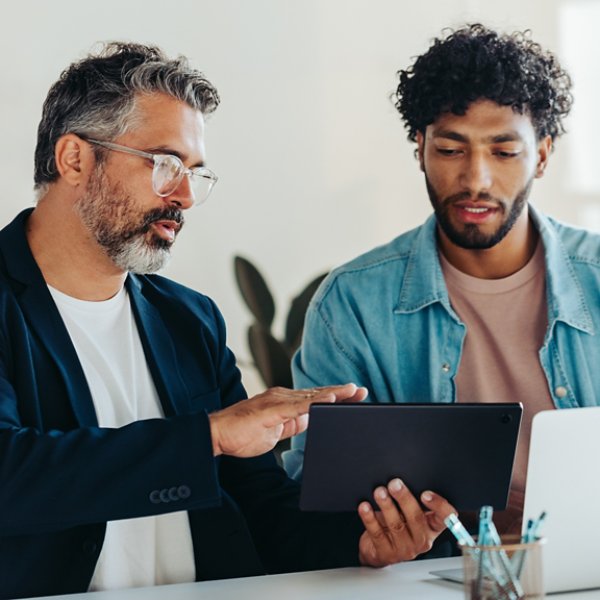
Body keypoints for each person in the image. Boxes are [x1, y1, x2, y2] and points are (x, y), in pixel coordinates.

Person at [0, 42, 457, 600]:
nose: (186, 196)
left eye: (195, 172)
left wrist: (362, 545)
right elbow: (12, 475)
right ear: (74, 158)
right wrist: (209, 436)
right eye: (166, 164)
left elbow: (261, 511)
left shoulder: (188, 319)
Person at [284, 23, 600, 534]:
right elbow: (314, 492)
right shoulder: (353, 304)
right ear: (420, 148)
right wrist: (372, 537)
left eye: (503, 152)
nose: (475, 179)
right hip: (433, 575)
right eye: (451, 150)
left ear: (541, 155)